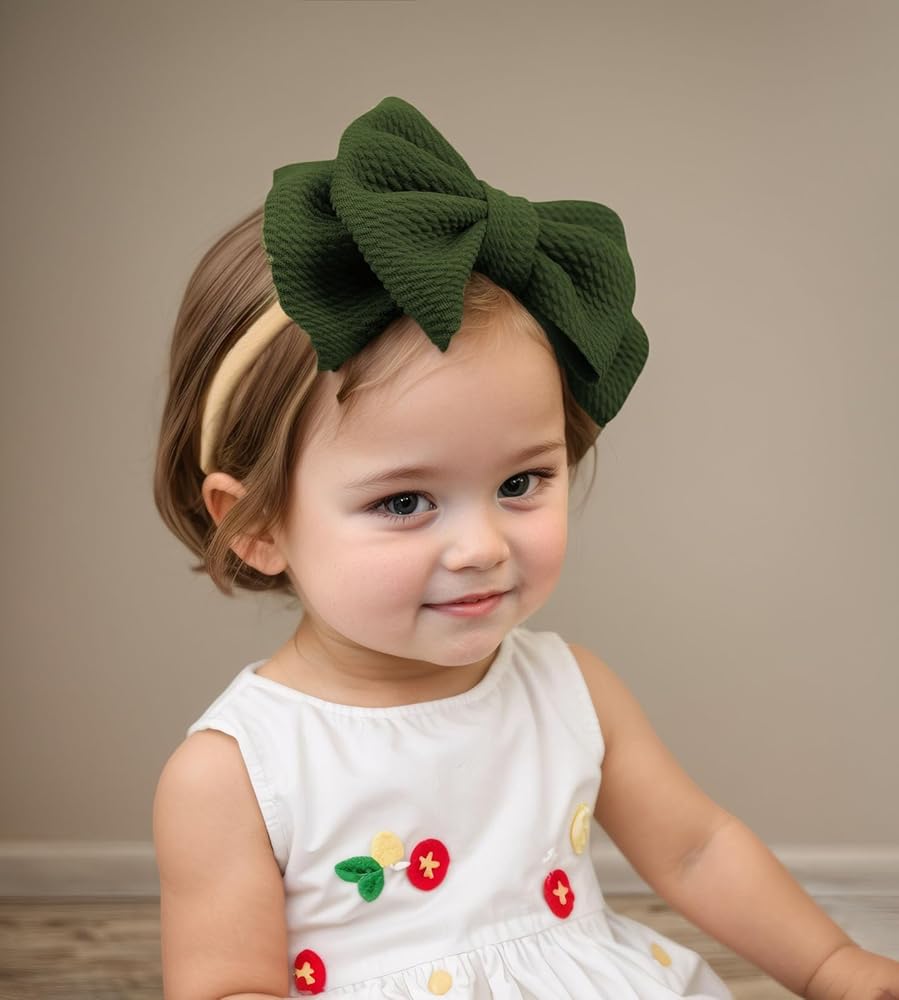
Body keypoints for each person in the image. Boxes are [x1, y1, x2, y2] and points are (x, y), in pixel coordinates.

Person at [152, 96, 899, 1000]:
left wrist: (831, 966)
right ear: (258, 526)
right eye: (404, 501)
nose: (480, 546)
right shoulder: (237, 771)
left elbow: (696, 849)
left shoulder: (568, 691)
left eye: (520, 483)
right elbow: (228, 985)